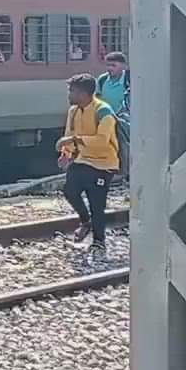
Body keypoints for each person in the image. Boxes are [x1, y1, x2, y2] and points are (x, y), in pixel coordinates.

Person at [56, 73, 119, 255]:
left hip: (103, 163)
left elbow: (102, 140)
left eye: (72, 91)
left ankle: (99, 241)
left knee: (96, 203)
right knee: (70, 190)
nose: (69, 95)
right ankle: (86, 221)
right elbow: (69, 133)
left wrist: (75, 139)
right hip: (83, 159)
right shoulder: (74, 111)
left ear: (84, 93)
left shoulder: (103, 111)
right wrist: (66, 154)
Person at [96, 51, 130, 116]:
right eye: (108, 65)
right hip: (106, 119)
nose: (110, 68)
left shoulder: (128, 80)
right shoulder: (102, 79)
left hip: (124, 121)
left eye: (113, 65)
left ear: (123, 66)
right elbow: (97, 100)